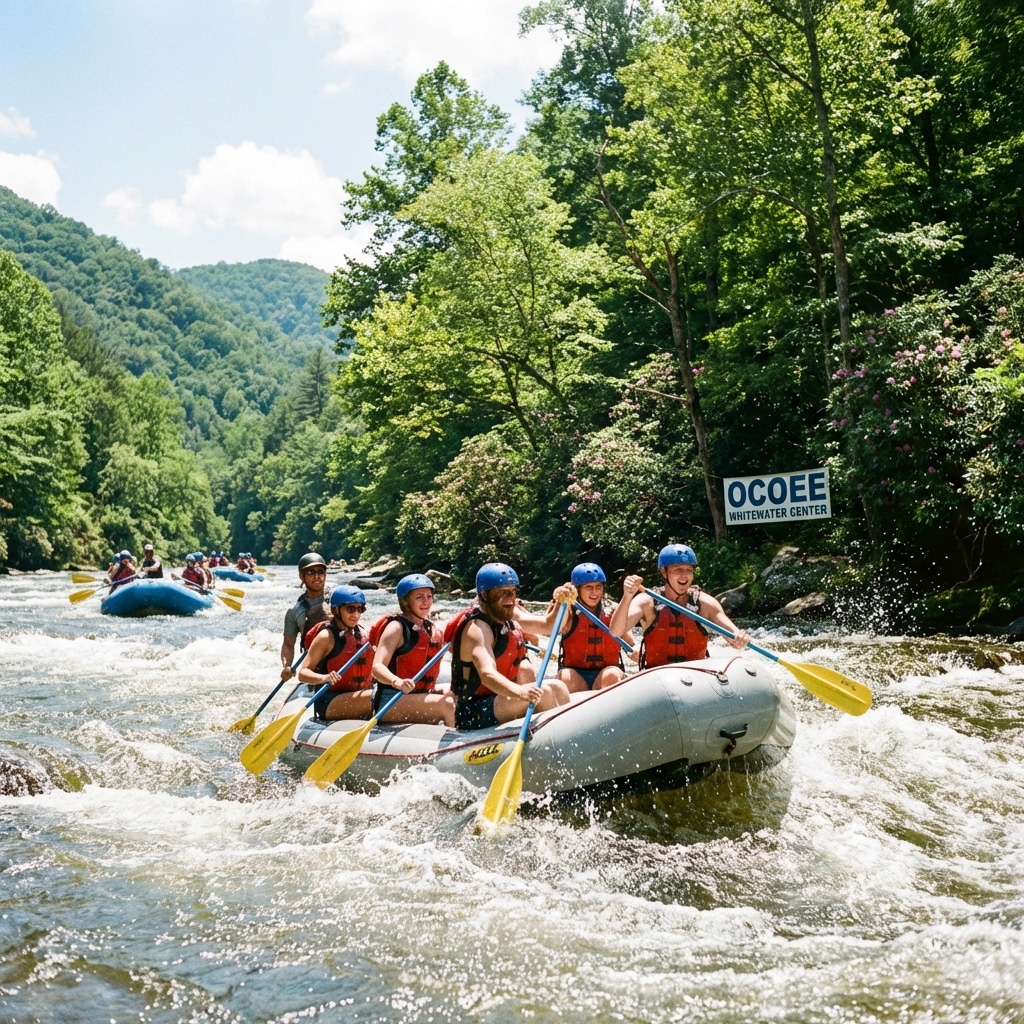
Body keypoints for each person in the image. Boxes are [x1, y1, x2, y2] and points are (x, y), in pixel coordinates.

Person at [446, 562, 570, 731]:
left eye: (512, 592)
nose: (511, 599)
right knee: (544, 694)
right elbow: (487, 674)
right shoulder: (477, 629)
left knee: (558, 686)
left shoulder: (508, 613)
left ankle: (566, 734)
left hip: (499, 700)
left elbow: (548, 626)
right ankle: (558, 738)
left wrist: (563, 602)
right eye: (503, 593)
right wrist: (519, 692)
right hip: (472, 711)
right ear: (485, 594)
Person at [609, 543, 750, 668]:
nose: (684, 576)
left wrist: (739, 637)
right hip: (657, 676)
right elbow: (616, 631)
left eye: (689, 570)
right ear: (664, 572)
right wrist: (627, 597)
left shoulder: (706, 603)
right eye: (678, 570)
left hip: (696, 674)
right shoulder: (646, 602)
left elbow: (732, 633)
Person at [370, 573, 455, 727]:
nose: (426, 602)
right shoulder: (396, 627)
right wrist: (397, 681)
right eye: (419, 597)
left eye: (429, 596)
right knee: (446, 703)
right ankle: (456, 742)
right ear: (406, 602)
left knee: (455, 692)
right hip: (391, 700)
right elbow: (377, 668)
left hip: (420, 694)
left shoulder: (431, 628)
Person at [299, 585, 373, 721]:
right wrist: (325, 678)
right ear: (336, 610)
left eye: (360, 609)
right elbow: (302, 674)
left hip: (360, 695)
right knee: (378, 697)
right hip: (331, 701)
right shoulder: (326, 637)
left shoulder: (364, 633)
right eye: (350, 609)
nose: (356, 615)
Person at [555, 562, 628, 691]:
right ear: (577, 589)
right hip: (576, 673)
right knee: (566, 677)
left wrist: (634, 652)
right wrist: (564, 600)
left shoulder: (614, 610)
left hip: (607, 672)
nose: (595, 592)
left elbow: (629, 642)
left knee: (612, 675)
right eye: (589, 587)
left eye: (598, 587)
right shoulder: (568, 610)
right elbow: (554, 626)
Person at [279, 553, 330, 682]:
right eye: (311, 572)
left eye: (321, 572)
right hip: (316, 666)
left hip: (342, 659)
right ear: (302, 576)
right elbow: (288, 644)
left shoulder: (339, 600)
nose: (317, 576)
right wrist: (287, 666)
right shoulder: (295, 611)